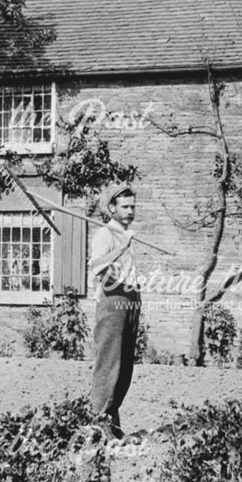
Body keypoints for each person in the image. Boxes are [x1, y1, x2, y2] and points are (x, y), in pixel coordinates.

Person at [88, 183, 141, 439]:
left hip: (130, 299)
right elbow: (96, 267)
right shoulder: (105, 235)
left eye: (133, 206)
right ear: (112, 208)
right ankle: (98, 427)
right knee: (109, 365)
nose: (130, 211)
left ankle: (113, 426)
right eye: (125, 206)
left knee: (124, 369)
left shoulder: (126, 234)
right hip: (112, 300)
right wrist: (121, 247)